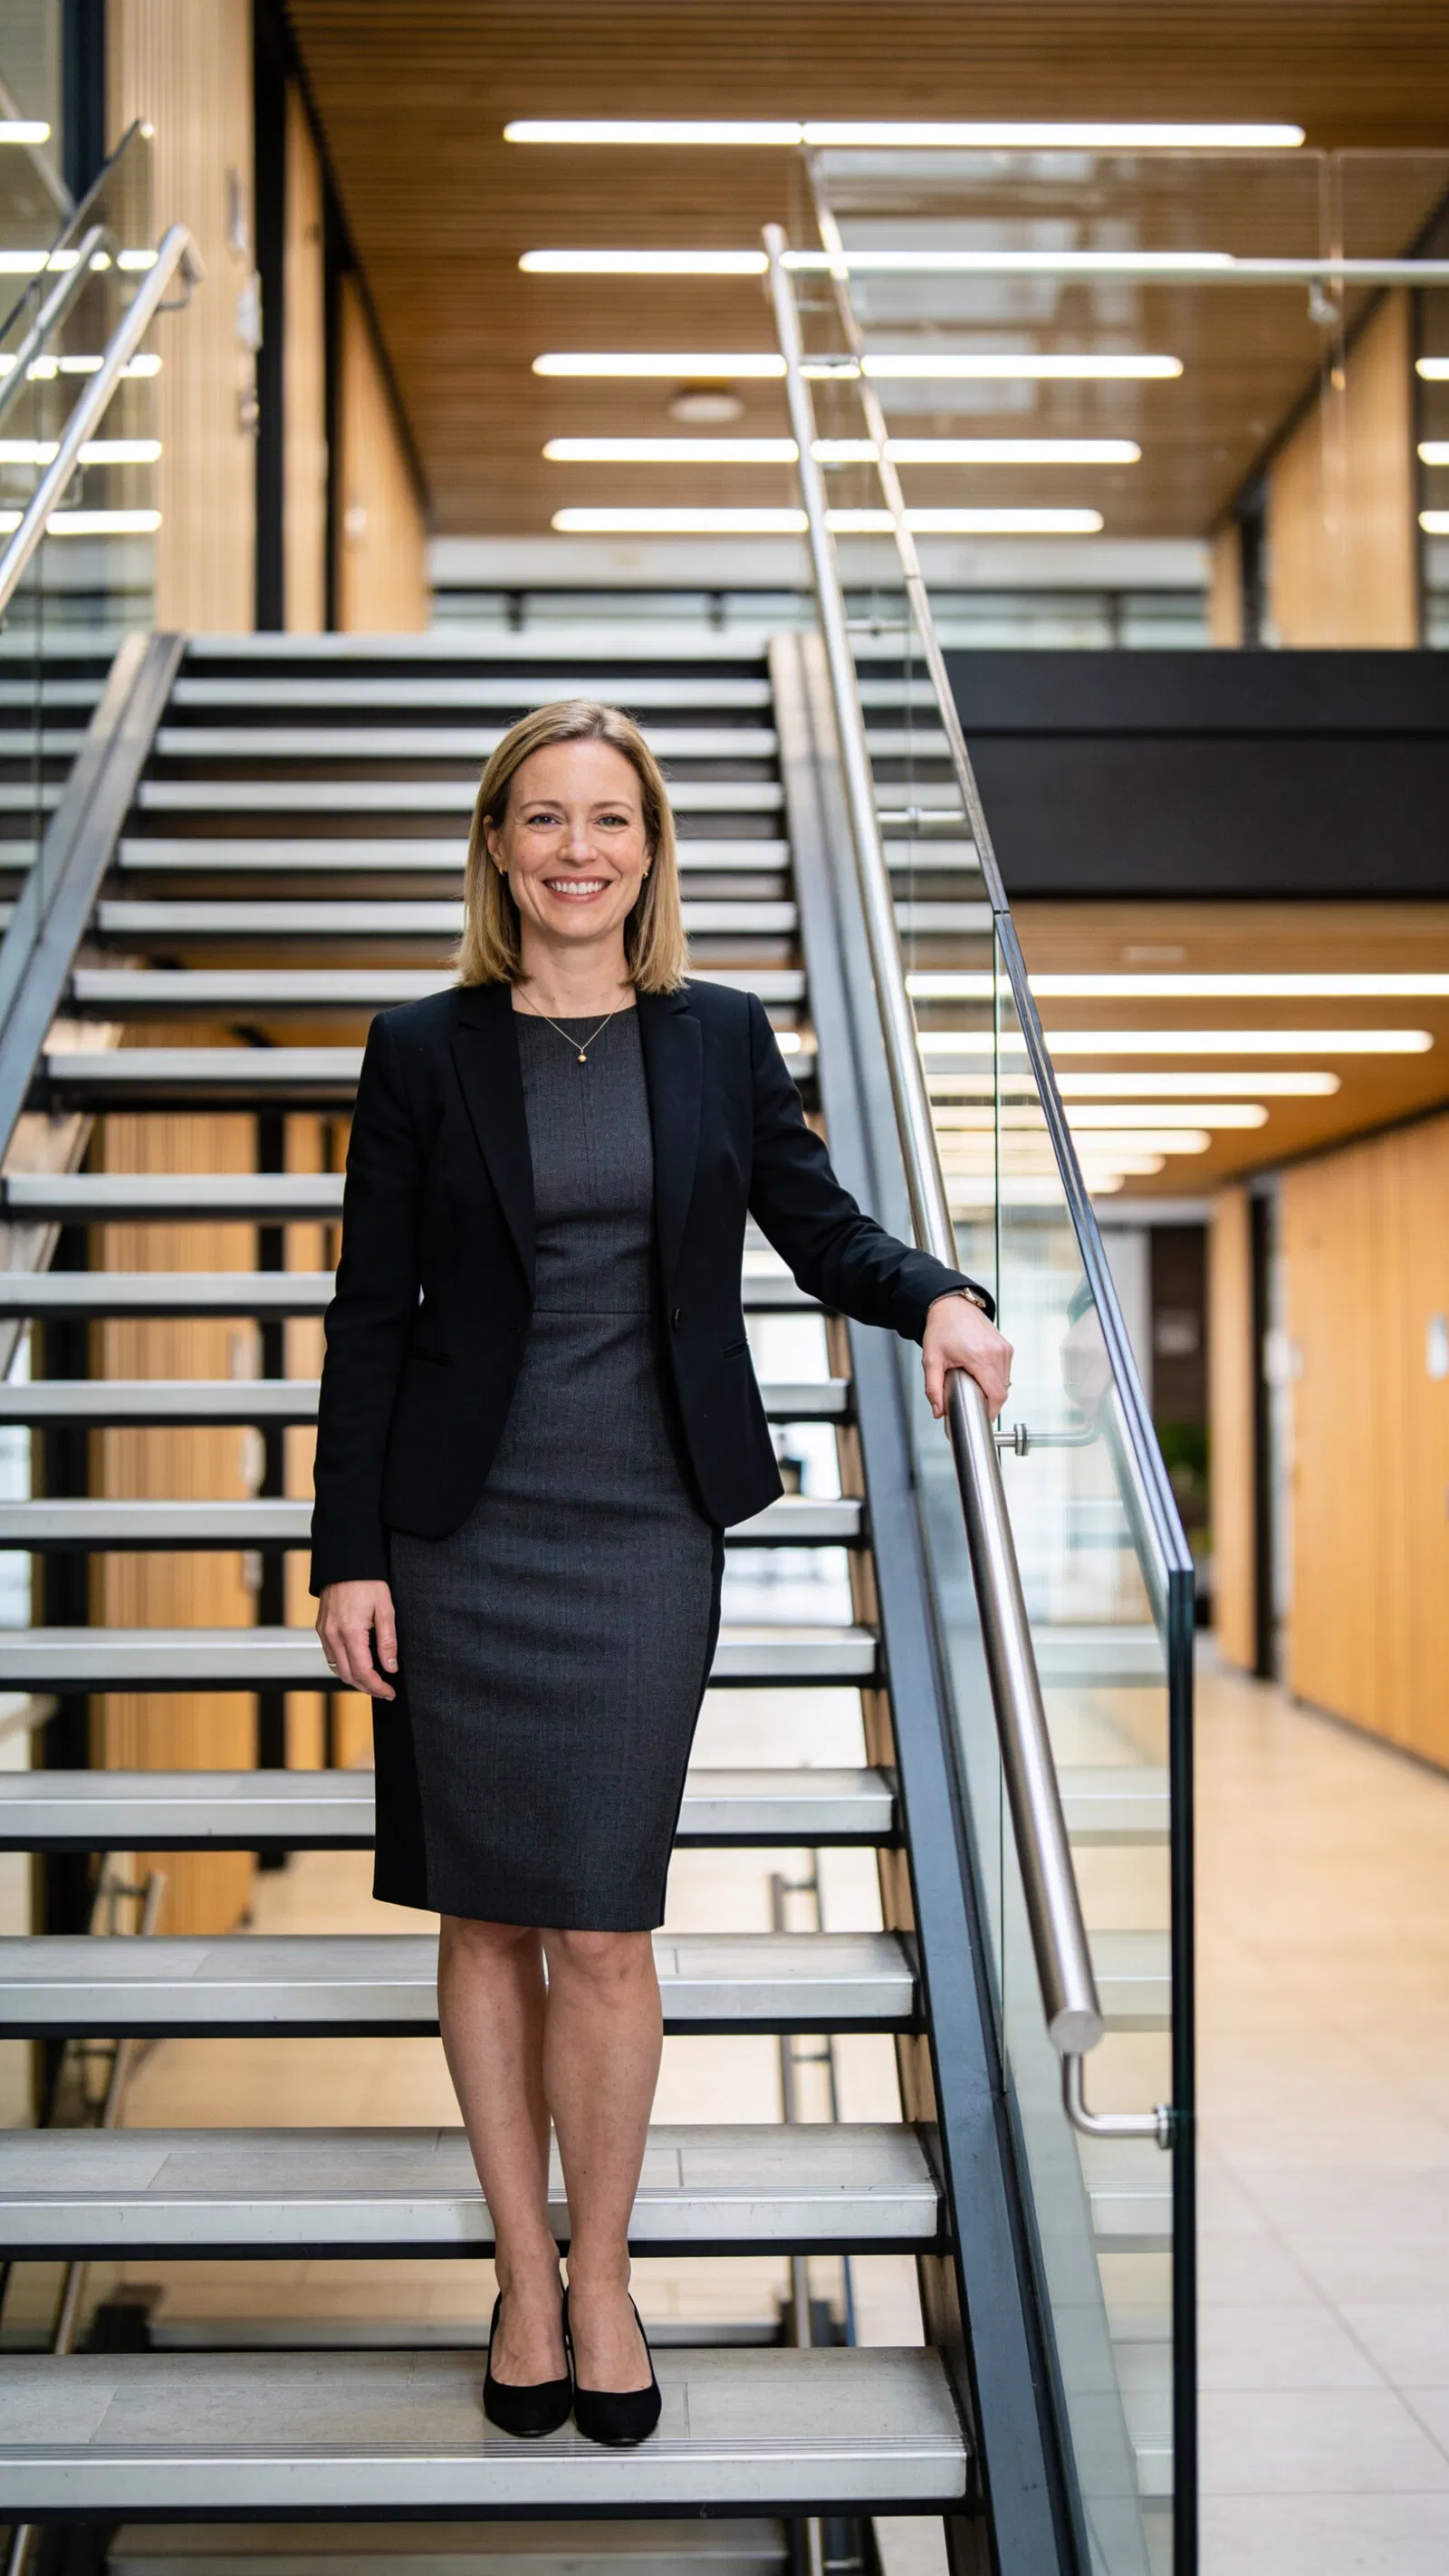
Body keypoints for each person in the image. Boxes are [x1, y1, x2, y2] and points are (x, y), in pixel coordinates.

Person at [311, 698, 1012, 2446]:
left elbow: (817, 1221)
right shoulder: (421, 1048)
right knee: (483, 1915)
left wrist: (933, 1290)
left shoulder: (715, 1038)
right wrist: (347, 1555)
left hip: (642, 1529)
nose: (575, 849)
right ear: (497, 846)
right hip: (456, 1533)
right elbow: (367, 1320)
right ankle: (522, 2279)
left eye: (606, 819)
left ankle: (604, 2270)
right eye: (541, 818)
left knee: (605, 1925)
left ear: (649, 850)